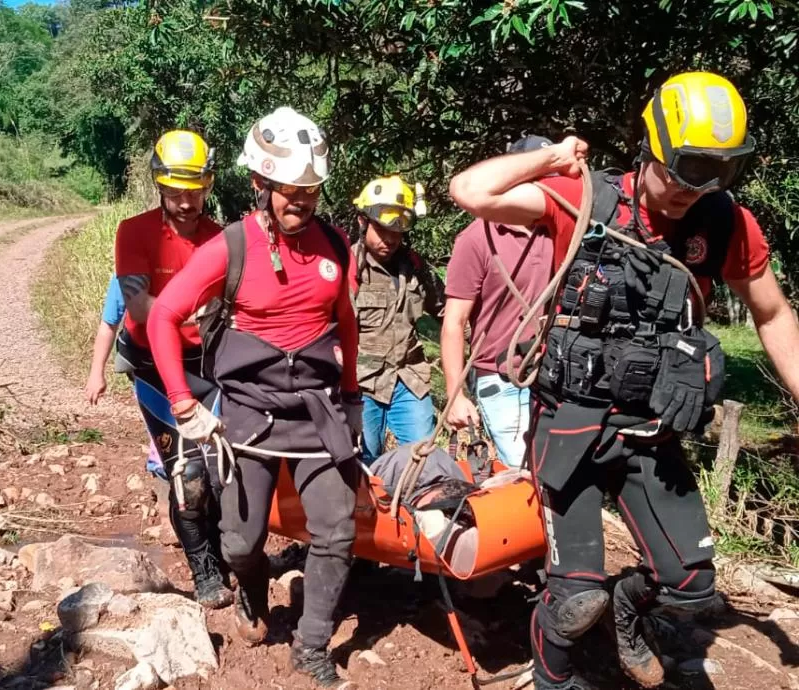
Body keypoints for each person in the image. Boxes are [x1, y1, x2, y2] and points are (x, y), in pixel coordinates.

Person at [449, 71, 799, 690]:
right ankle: (554, 677)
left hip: (651, 431)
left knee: (692, 589)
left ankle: (628, 612)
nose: (700, 187)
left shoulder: (722, 223)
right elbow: (469, 190)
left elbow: (771, 314)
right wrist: (554, 157)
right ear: (652, 145)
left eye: (720, 171)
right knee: (574, 599)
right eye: (688, 167)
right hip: (570, 424)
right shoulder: (585, 198)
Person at [147, 107, 360, 689]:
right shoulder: (230, 247)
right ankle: (253, 595)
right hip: (249, 413)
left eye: (311, 191)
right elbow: (164, 315)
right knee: (241, 542)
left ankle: (312, 647)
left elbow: (346, 325)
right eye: (291, 190)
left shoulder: (336, 247)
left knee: (338, 530)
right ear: (261, 185)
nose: (302, 201)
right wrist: (183, 405)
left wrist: (352, 397)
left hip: (318, 413)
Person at [114, 130, 232, 609]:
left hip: (209, 361)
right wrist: (189, 313)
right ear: (159, 184)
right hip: (153, 365)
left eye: (195, 190)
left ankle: (227, 556)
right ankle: (203, 568)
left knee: (224, 466)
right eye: (175, 191)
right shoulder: (135, 232)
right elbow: (139, 307)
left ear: (207, 184)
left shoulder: (221, 236)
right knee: (188, 473)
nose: (186, 202)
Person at [441, 136, 554, 468]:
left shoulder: (557, 230)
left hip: (550, 376)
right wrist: (454, 396)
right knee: (527, 473)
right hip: (500, 379)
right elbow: (453, 323)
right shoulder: (476, 239)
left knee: (556, 476)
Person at [350, 175, 444, 465]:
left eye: (398, 231)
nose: (390, 239)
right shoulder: (348, 268)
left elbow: (447, 309)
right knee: (363, 464)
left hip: (409, 379)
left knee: (423, 460)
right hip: (361, 385)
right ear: (362, 221)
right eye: (382, 229)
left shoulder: (416, 267)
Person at [83, 274, 165, 479]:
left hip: (191, 360)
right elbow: (108, 324)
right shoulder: (128, 273)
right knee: (162, 433)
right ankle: (165, 485)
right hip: (146, 362)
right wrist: (96, 372)